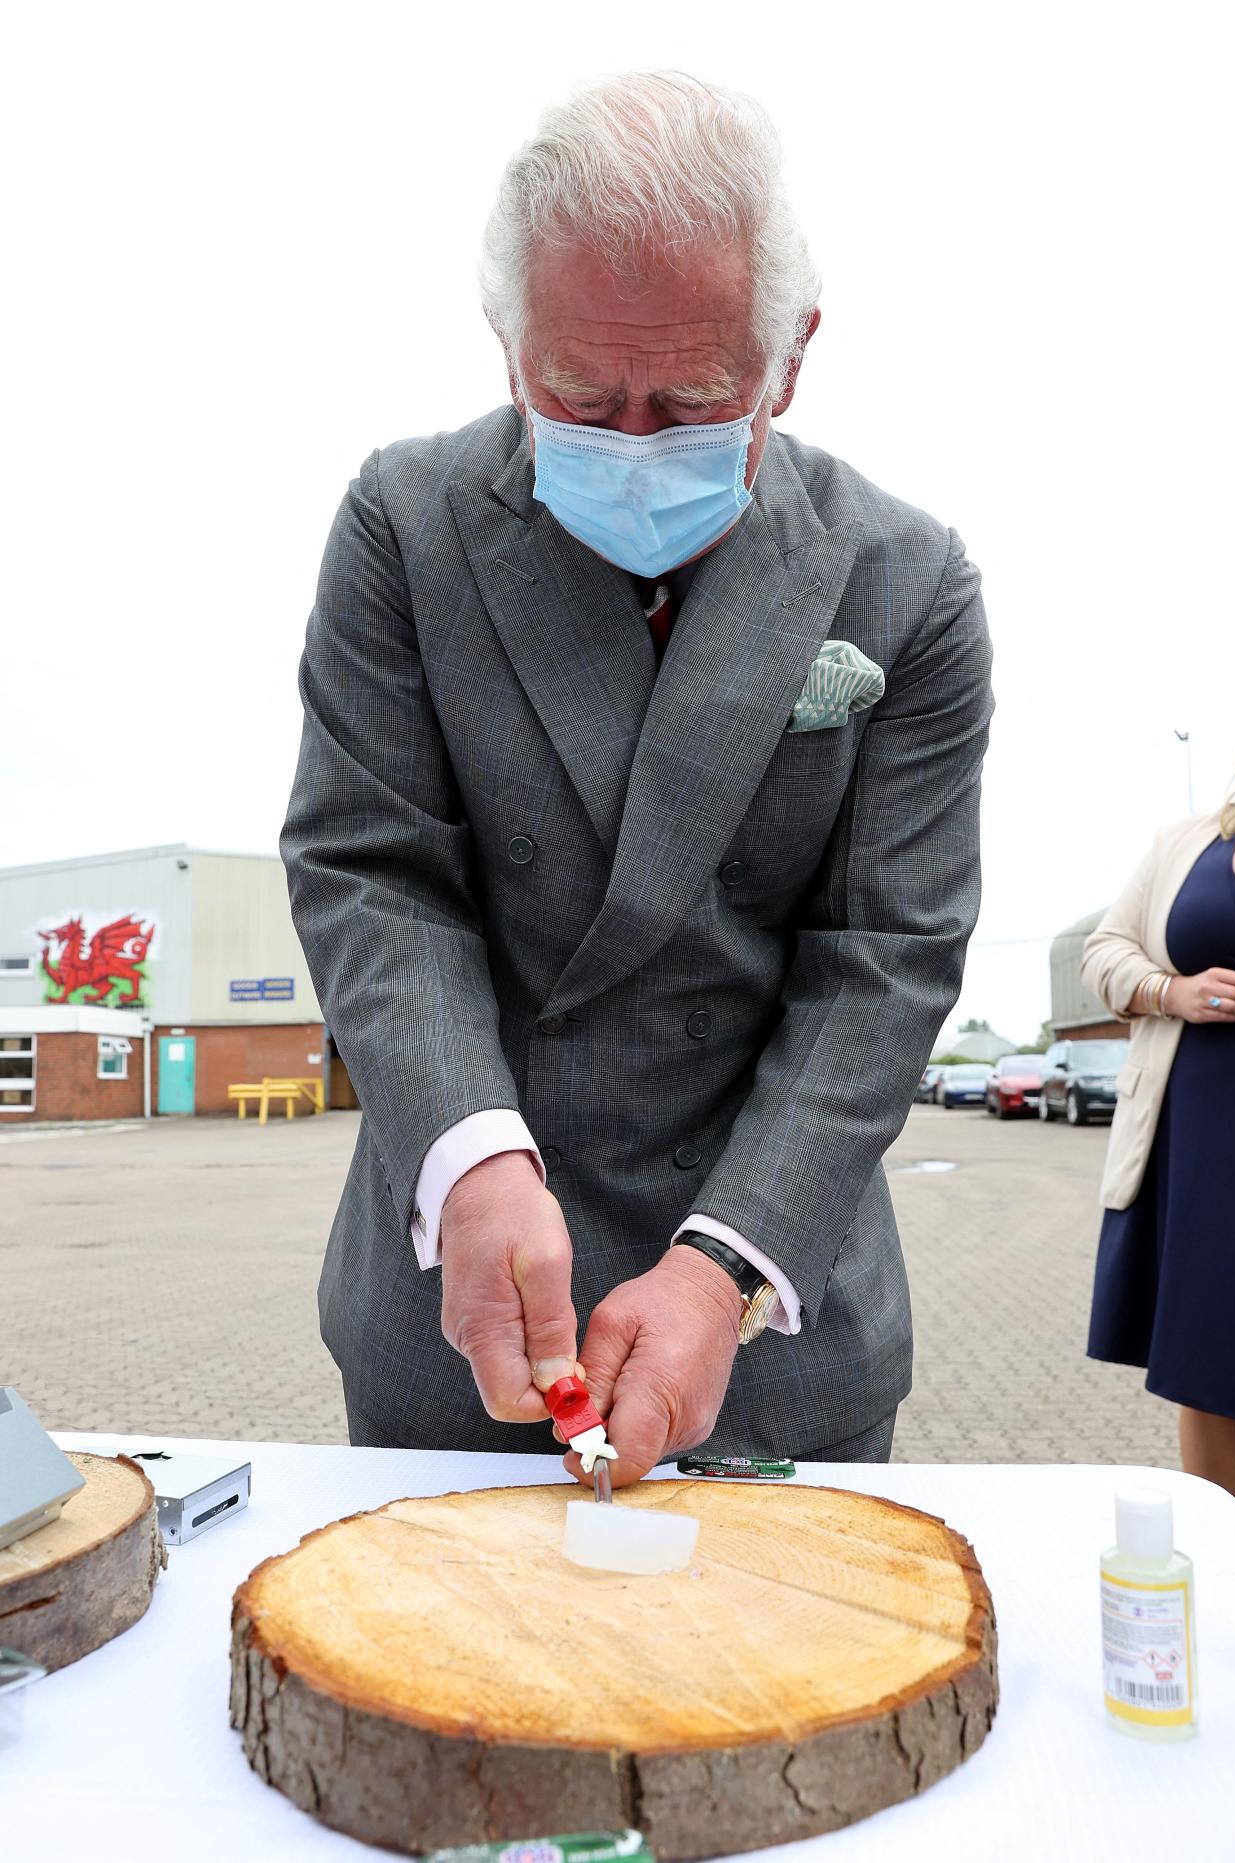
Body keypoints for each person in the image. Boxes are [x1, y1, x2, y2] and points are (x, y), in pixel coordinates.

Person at [280, 71, 994, 1485]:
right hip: (455, 1313)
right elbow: (371, 871)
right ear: (505, 343)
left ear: (788, 354)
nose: (630, 437)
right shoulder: (400, 525)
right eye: (577, 392)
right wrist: (470, 1153)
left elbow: (881, 962)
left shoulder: (906, 582)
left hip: (773, 1312)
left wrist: (722, 1265)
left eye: (692, 397)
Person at [1081, 755, 1235, 1501]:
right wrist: (1170, 990)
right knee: (1211, 1350)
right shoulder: (1186, 842)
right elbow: (1104, 951)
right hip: (1200, 1136)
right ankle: (1225, 1549)